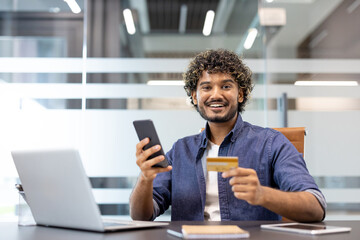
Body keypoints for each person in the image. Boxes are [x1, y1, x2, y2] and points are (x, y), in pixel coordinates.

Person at [129, 49, 326, 222]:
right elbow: (141, 215)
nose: (216, 95)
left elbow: (316, 207)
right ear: (195, 96)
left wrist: (262, 195)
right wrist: (145, 179)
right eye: (206, 87)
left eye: (226, 86)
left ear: (240, 94)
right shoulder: (180, 151)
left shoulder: (271, 143)